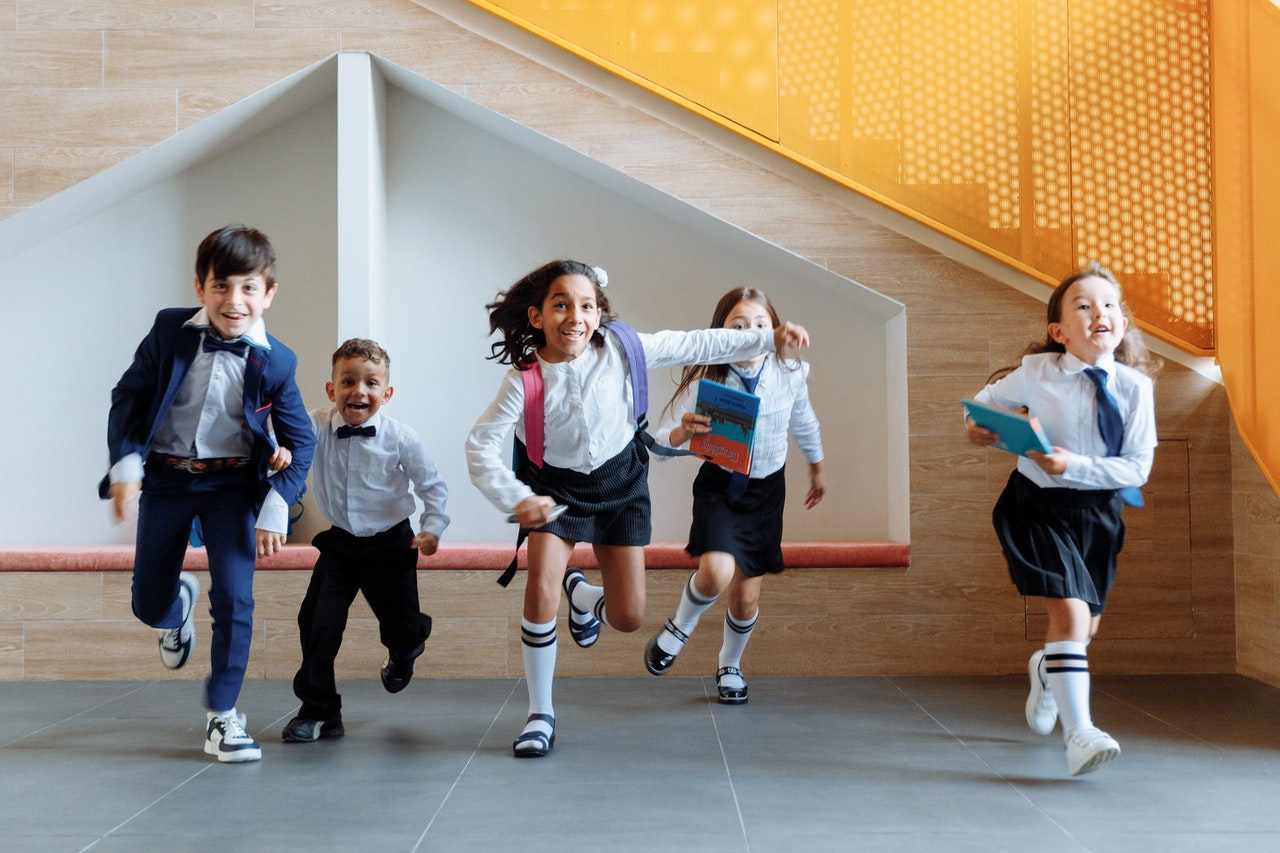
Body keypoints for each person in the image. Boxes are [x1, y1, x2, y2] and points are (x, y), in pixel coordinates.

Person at [466, 260, 810, 757]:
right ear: (538, 316)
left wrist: (767, 338)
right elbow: (480, 445)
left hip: (622, 483)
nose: (575, 316)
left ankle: (583, 597)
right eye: (561, 304)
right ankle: (540, 713)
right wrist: (516, 498)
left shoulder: (625, 350)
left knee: (628, 617)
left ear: (600, 313)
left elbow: (698, 343)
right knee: (540, 589)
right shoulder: (524, 381)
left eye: (586, 305)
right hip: (554, 492)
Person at [101, 224, 315, 763]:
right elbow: (128, 396)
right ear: (200, 287)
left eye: (248, 288)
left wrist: (274, 507)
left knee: (236, 599)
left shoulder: (279, 361)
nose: (234, 301)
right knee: (147, 601)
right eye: (221, 286)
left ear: (268, 293)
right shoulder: (170, 330)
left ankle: (224, 717)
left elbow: (302, 441)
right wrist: (126, 466)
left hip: (233, 486)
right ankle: (175, 610)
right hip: (167, 479)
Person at [965, 260, 1160, 777]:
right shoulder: (1036, 373)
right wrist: (982, 428)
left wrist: (1072, 463)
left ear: (1122, 323)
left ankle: (1048, 672)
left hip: (1098, 513)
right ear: (1059, 331)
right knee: (1071, 618)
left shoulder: (1137, 388)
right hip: (1037, 506)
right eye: (1084, 305)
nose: (1100, 313)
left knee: (1084, 627)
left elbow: (1137, 467)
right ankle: (1080, 735)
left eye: (1110, 305)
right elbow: (980, 409)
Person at [643, 288, 825, 704]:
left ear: (776, 331)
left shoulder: (791, 372)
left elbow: (804, 421)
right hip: (720, 488)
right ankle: (679, 628)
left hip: (766, 492)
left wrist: (817, 469)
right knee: (716, 573)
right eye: (738, 326)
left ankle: (730, 664)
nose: (750, 334)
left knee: (745, 599)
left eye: (761, 326)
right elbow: (664, 445)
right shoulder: (712, 379)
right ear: (721, 333)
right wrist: (682, 433)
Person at [282, 338, 449, 743]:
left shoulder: (402, 438)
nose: (360, 391)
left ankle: (408, 645)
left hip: (393, 544)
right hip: (340, 544)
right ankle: (320, 709)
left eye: (371, 383)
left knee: (401, 626)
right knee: (317, 622)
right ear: (331, 389)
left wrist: (433, 527)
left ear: (386, 393)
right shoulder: (316, 425)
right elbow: (284, 436)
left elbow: (433, 486)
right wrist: (278, 450)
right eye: (349, 381)